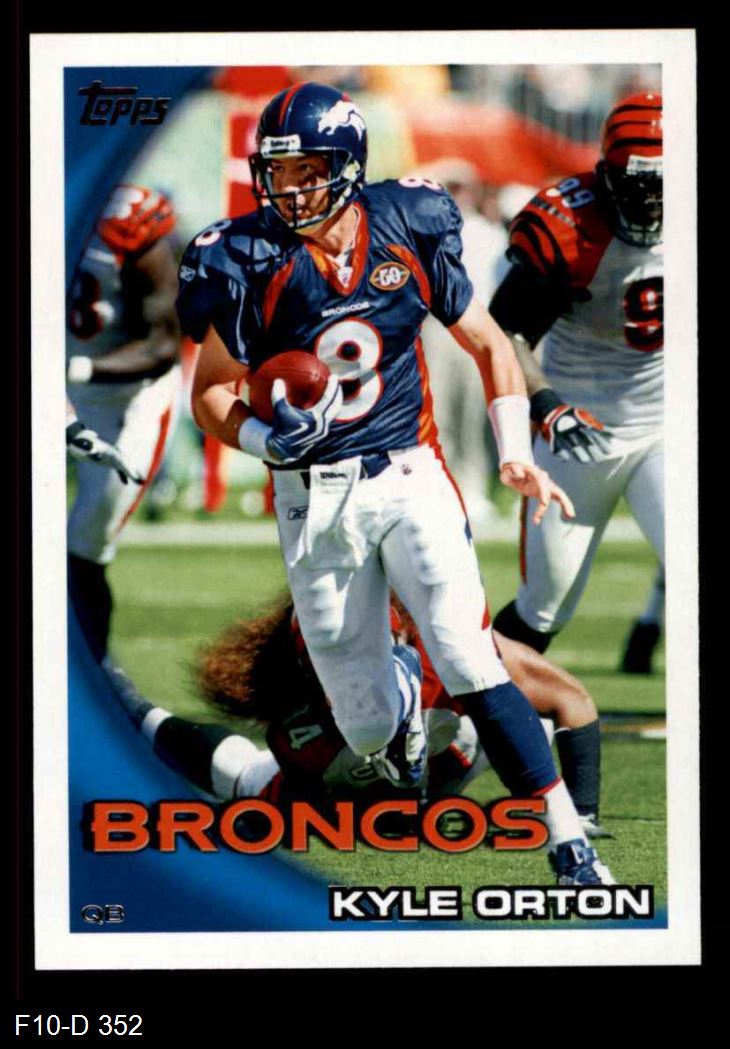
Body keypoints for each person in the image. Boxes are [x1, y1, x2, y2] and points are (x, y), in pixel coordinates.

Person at [177, 82, 613, 884]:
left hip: (410, 472)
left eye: (308, 171)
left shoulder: (409, 219)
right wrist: (266, 437)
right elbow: (209, 392)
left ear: (348, 166)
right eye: (279, 172)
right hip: (313, 495)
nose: (290, 189)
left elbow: (488, 343)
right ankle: (403, 693)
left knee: (471, 658)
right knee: (369, 729)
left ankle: (569, 844)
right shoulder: (240, 254)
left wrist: (513, 449)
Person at [106, 596, 608, 839]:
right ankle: (130, 708)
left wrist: (579, 812)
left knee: (513, 720)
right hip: (346, 781)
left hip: (448, 757)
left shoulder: (448, 651)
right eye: (333, 661)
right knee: (243, 779)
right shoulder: (300, 728)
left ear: (404, 639)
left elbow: (572, 702)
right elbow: (322, 808)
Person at [67, 184, 182, 661]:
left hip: (126, 399)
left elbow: (162, 345)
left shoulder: (127, 222)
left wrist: (73, 370)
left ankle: (91, 669)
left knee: (84, 548)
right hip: (52, 385)